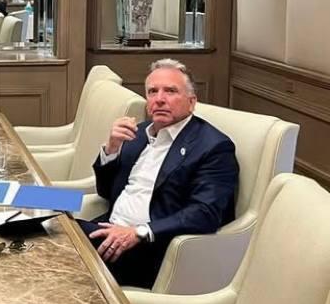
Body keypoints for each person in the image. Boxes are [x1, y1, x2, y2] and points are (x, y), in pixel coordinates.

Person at [78, 58, 239, 289]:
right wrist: (111, 149)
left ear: (192, 102)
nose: (159, 99)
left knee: (50, 230)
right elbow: (105, 192)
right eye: (153, 92)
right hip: (106, 227)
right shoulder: (139, 133)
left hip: (144, 248)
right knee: (36, 201)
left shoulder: (213, 146)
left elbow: (205, 213)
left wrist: (139, 232)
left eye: (170, 91)